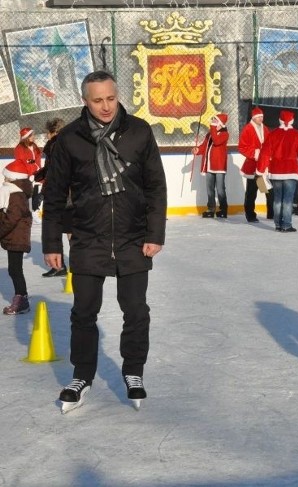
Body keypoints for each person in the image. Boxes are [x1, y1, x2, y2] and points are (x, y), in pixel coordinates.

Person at [42, 70, 167, 413]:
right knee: (83, 312)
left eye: (111, 98)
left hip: (133, 237)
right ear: (85, 101)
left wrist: (155, 234)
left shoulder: (139, 131)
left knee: (136, 310)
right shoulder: (69, 140)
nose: (106, 106)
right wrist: (52, 243)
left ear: (117, 94)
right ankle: (82, 374)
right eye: (97, 100)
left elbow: (156, 186)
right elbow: (53, 196)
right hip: (87, 237)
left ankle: (133, 371)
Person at [256, 110, 298, 232]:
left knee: (277, 199)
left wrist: (260, 169)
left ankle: (278, 224)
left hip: (275, 171)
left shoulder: (272, 134)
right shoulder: (296, 135)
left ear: (280, 120)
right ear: (292, 120)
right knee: (288, 199)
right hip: (291, 170)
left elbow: (265, 154)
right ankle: (286, 225)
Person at [0, 160, 37, 315]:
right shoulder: (16, 193)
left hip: (17, 237)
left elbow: (11, 218)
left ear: (13, 179)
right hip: (15, 237)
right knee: (14, 269)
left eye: (6, 178)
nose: (4, 180)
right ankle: (21, 298)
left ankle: (21, 299)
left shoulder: (16, 195)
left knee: (15, 270)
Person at [39, 118, 69, 277]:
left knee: (67, 227)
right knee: (67, 228)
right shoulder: (68, 141)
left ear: (53, 132)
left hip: (62, 192)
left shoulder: (56, 145)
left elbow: (56, 170)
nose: (46, 136)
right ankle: (61, 266)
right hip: (65, 191)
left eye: (47, 132)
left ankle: (65, 266)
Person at [192, 112, 229, 219]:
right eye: (213, 120)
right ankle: (211, 208)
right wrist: (197, 150)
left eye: (216, 121)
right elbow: (204, 146)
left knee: (220, 189)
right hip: (208, 166)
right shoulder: (210, 134)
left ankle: (223, 209)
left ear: (221, 123)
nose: (213, 122)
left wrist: (212, 127)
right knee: (210, 189)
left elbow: (217, 142)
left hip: (219, 166)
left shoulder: (224, 134)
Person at [239, 107, 272, 222]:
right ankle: (250, 215)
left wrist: (269, 154)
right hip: (253, 167)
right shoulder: (247, 129)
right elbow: (242, 147)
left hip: (263, 167)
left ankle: (271, 214)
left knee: (268, 191)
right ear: (253, 118)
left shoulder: (266, 129)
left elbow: (270, 144)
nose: (261, 119)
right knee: (252, 192)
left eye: (262, 116)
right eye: (258, 117)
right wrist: (256, 153)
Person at [14, 127, 43, 222]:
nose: (34, 137)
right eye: (31, 135)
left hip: (36, 172)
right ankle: (27, 211)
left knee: (37, 190)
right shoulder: (20, 148)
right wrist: (30, 171)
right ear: (26, 137)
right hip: (26, 174)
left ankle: (34, 209)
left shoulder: (34, 146)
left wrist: (37, 170)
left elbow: (36, 160)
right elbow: (22, 161)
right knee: (27, 193)